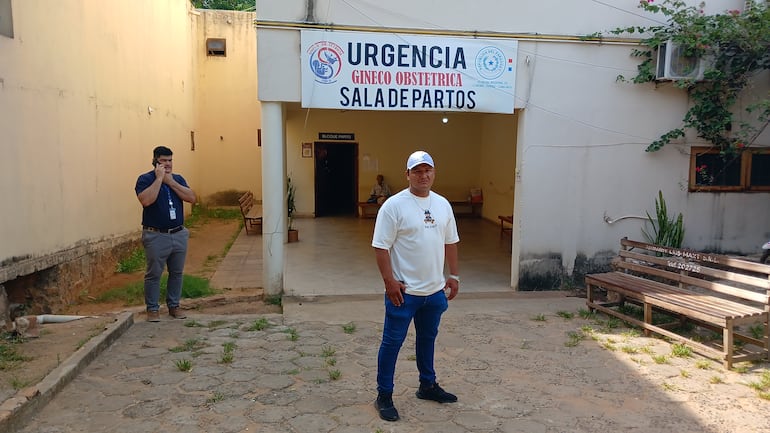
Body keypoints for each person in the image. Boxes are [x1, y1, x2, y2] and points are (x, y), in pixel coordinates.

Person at [371, 150, 460, 422]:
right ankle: (384, 395)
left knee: (427, 339)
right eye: (417, 171)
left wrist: (454, 276)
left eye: (428, 170)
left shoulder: (443, 204)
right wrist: (389, 283)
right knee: (392, 343)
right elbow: (381, 247)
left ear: (434, 172)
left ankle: (427, 385)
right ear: (407, 174)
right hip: (404, 293)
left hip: (434, 292)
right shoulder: (394, 206)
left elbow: (450, 242)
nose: (423, 175)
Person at [135, 146, 197, 322]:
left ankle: (174, 306)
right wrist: (159, 179)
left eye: (170, 160)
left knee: (176, 272)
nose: (168, 164)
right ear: (155, 161)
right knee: (154, 273)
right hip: (156, 235)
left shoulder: (177, 179)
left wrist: (170, 182)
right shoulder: (145, 179)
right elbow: (146, 200)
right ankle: (153, 309)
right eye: (164, 161)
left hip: (178, 234)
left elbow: (191, 197)